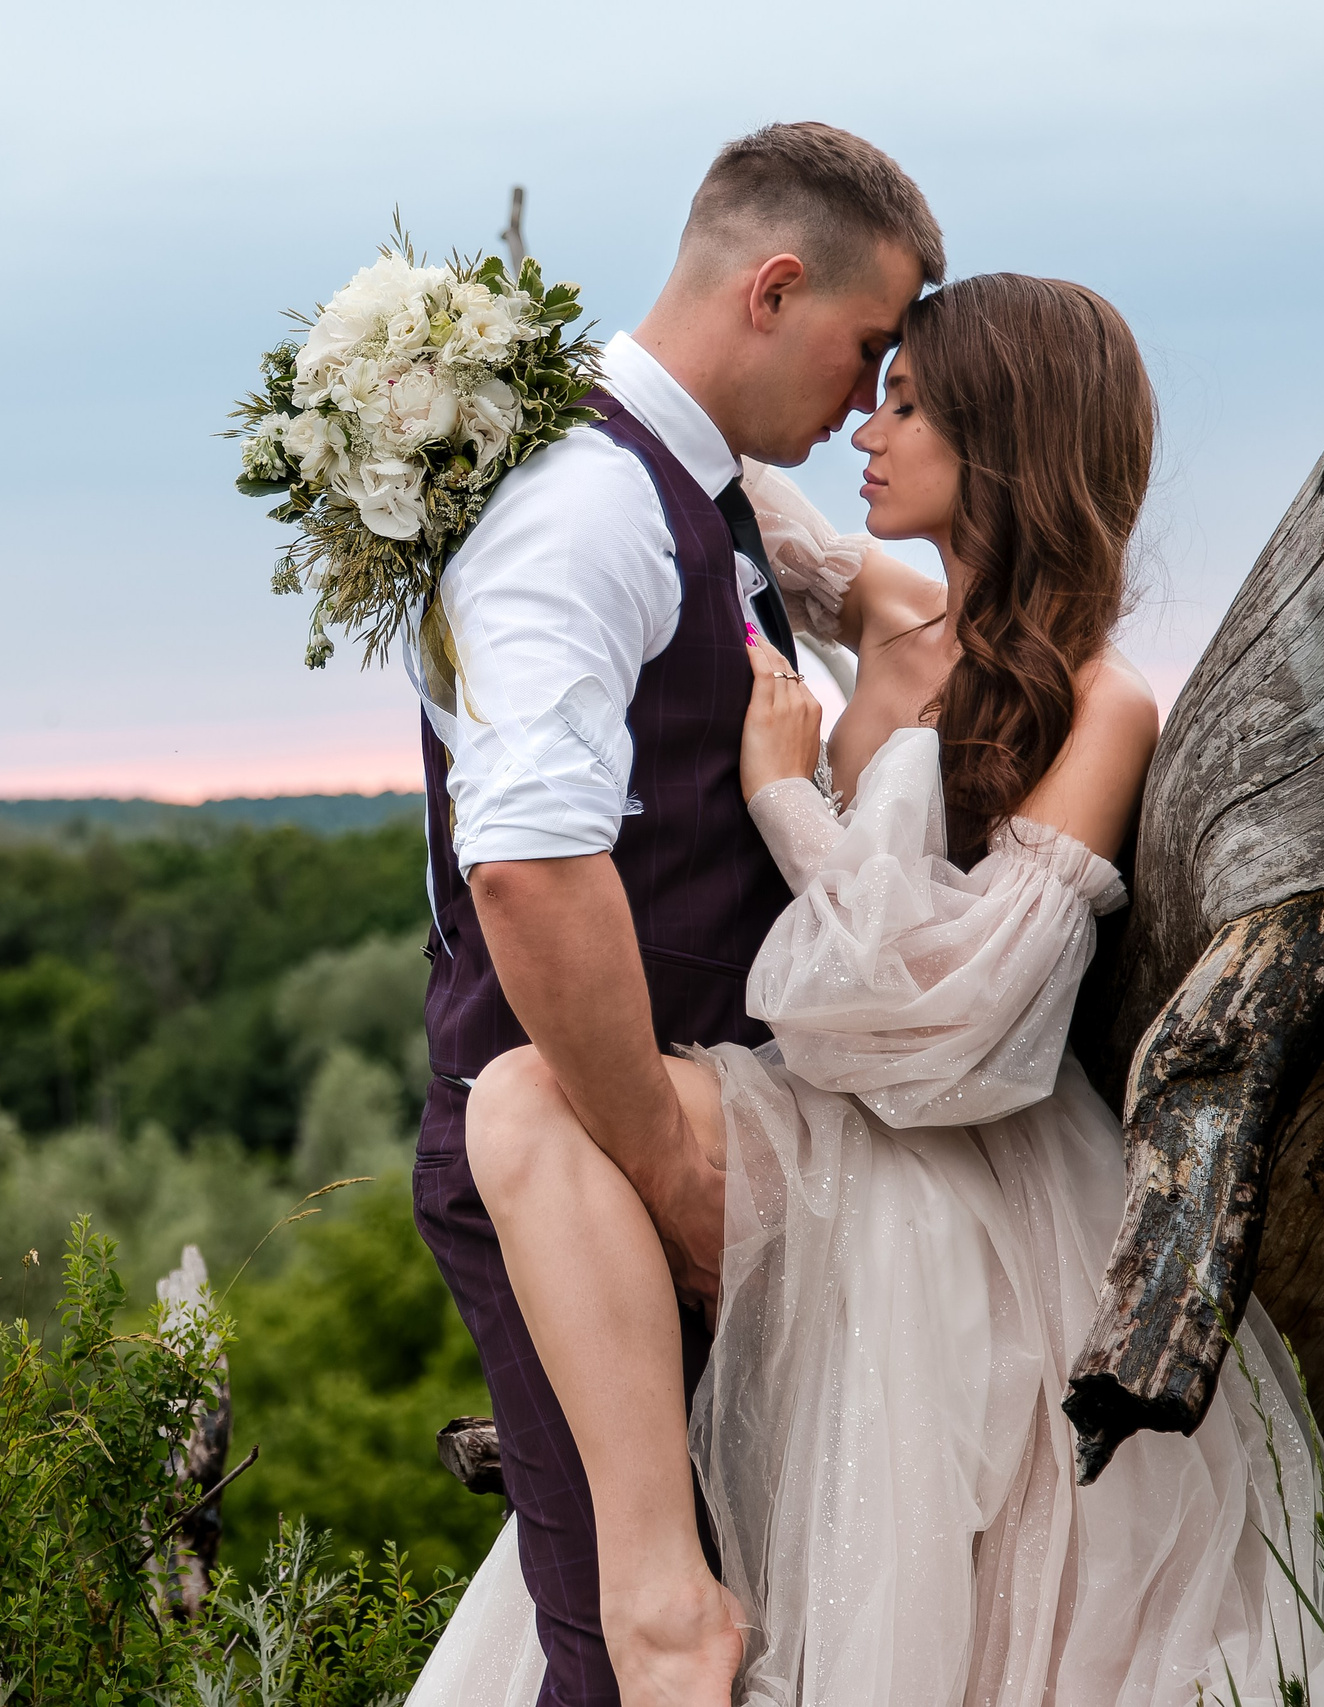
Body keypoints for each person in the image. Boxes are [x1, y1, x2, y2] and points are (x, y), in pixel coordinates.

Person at [416, 275, 1324, 1707]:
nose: (867, 422)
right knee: (525, 1095)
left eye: (907, 401)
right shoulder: (891, 614)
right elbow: (703, 474)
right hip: (815, 1120)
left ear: (1004, 437)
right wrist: (458, 414)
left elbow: (969, 1030)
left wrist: (789, 802)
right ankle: (660, 1596)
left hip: (955, 1174)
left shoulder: (1100, 702)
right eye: (877, 379)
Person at [405, 122, 943, 1707]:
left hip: (667, 1142)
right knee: (645, 1658)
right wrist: (661, 1161)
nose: (865, 399)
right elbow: (527, 868)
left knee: (732, 1629)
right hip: (580, 1154)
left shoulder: (696, 493)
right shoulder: (585, 514)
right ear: (774, 287)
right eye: (864, 350)